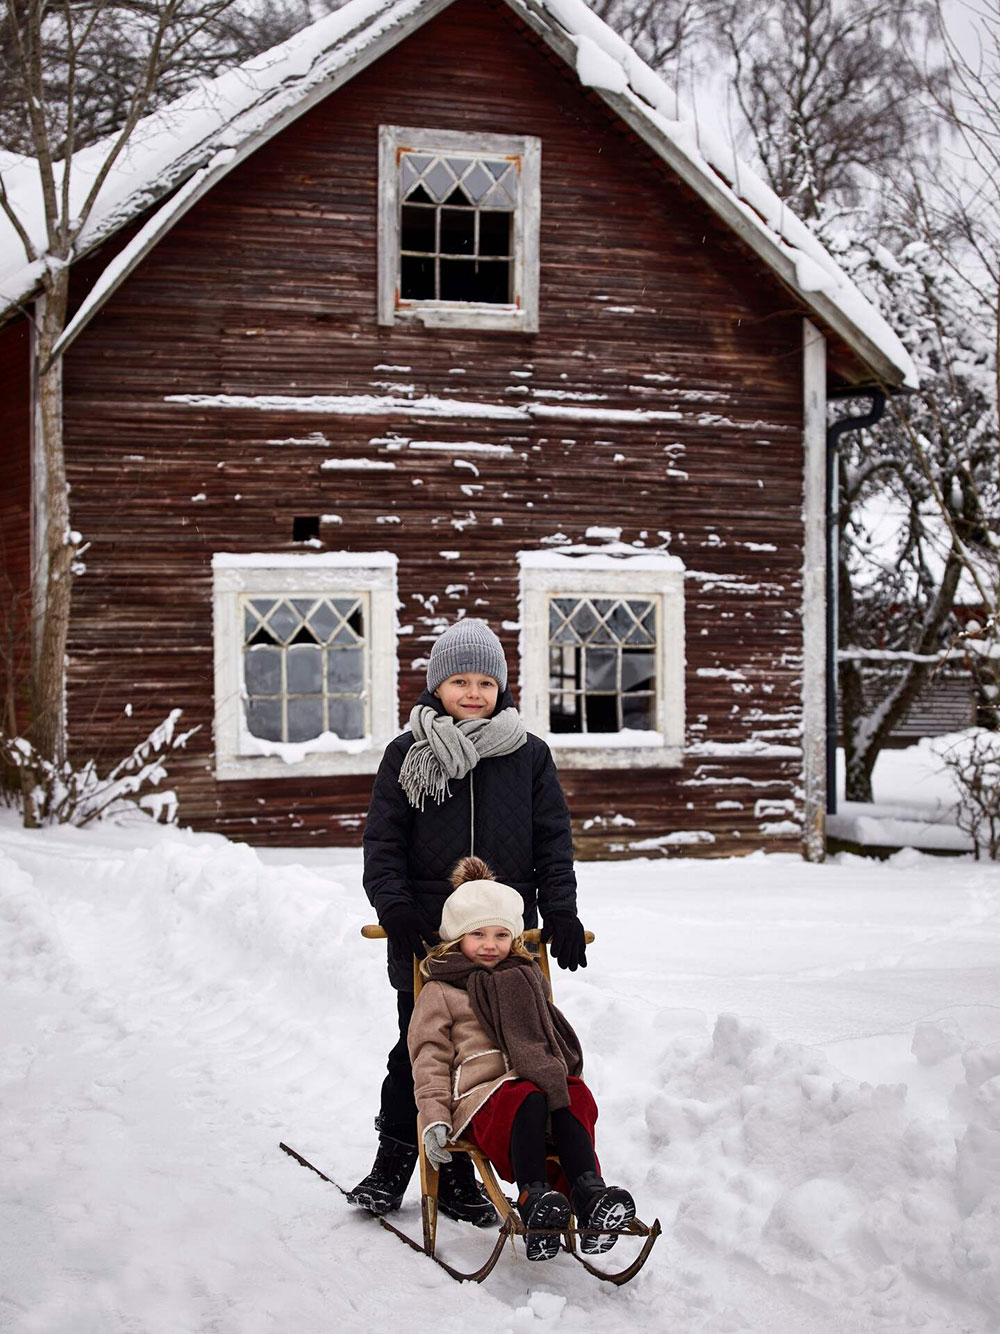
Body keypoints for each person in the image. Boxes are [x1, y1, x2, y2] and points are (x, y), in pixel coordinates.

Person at [349, 617, 586, 1225]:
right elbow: (384, 843)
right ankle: (393, 1166)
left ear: (502, 687)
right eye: (460, 680)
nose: (473, 692)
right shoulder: (408, 756)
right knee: (420, 1053)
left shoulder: (528, 755)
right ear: (436, 686)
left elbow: (553, 842)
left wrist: (559, 910)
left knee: (501, 1056)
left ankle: (463, 1179)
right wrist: (394, 908)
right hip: (429, 942)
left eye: (486, 680)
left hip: (505, 945)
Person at [409, 857, 635, 1261]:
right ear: (456, 937)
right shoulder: (441, 991)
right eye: (477, 933)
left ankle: (589, 1193)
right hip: (481, 1099)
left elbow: (550, 1037)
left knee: (573, 1093)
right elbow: (429, 1057)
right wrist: (433, 1118)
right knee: (528, 1095)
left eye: (500, 934)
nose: (490, 944)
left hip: (533, 1083)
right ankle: (534, 1197)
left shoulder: (525, 978)